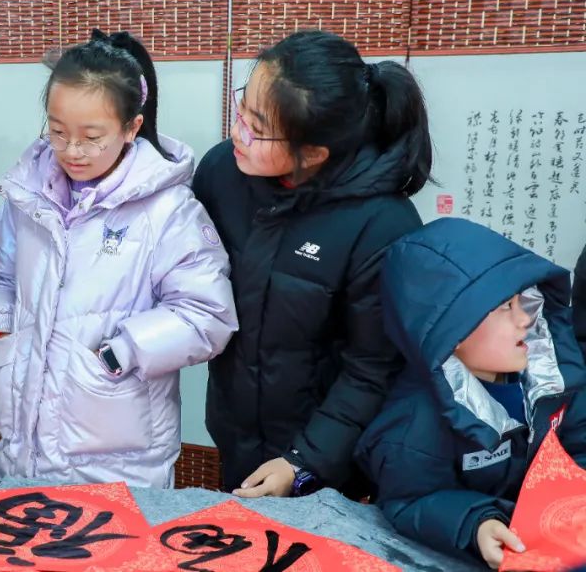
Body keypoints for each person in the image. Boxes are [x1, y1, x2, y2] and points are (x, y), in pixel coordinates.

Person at [0, 30, 238, 488]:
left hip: (123, 463)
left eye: (91, 137)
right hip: (19, 451)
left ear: (131, 127)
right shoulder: (26, 196)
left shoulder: (168, 211)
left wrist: (121, 352)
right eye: (57, 132)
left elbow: (207, 316)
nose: (72, 151)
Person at [193, 29, 433, 497]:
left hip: (331, 463)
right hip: (238, 436)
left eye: (257, 128)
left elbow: (373, 368)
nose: (236, 133)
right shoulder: (222, 172)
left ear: (313, 153)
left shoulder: (382, 225)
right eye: (242, 109)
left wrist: (303, 463)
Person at [355, 218, 586, 569]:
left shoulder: (548, 379)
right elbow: (411, 500)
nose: (525, 318)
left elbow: (579, 442)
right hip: (495, 550)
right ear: (452, 332)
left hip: (559, 534)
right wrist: (476, 524)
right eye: (504, 308)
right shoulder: (414, 424)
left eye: (522, 301)